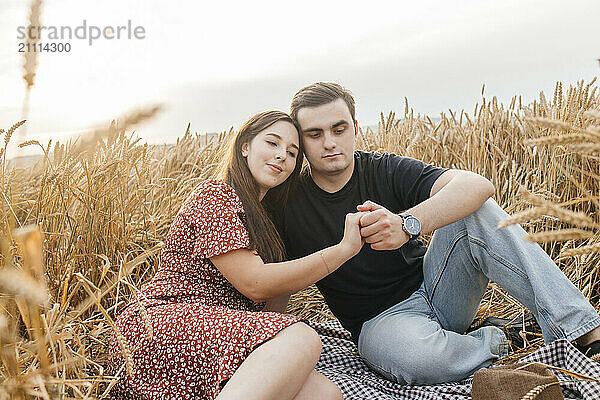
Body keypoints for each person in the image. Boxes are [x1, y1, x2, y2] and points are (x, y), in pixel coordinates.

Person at [274, 82, 600, 385]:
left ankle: (582, 330)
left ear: (355, 129)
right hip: (383, 324)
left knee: (477, 209)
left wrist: (406, 224)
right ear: (300, 142)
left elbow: (477, 185)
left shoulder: (383, 168)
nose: (330, 142)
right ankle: (502, 339)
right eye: (315, 134)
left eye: (339, 129)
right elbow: (279, 280)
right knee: (417, 361)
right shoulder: (289, 203)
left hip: (439, 288)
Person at [108, 111, 364, 399]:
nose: (282, 156)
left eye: (292, 153)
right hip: (163, 326)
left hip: (219, 338)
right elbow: (256, 284)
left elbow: (270, 310)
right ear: (245, 146)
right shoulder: (216, 195)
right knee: (302, 336)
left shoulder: (268, 220)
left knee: (325, 395)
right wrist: (342, 250)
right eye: (272, 143)